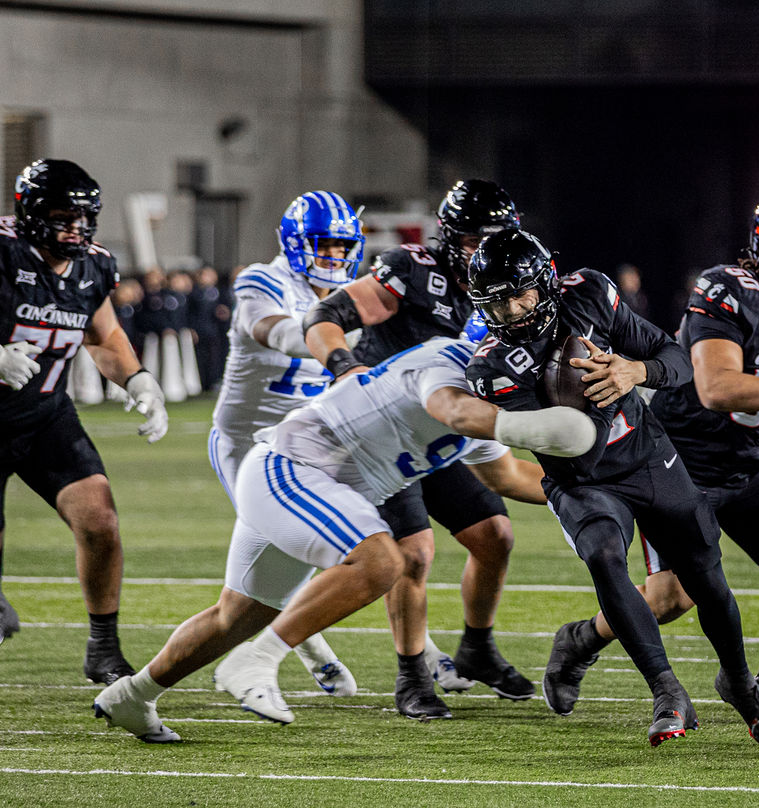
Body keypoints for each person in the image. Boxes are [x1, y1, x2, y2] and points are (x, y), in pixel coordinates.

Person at [92, 335, 595, 742]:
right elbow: (457, 412)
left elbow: (509, 479)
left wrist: (598, 489)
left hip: (311, 485)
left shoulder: (492, 407)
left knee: (236, 615)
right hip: (291, 468)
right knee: (382, 561)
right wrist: (535, 425)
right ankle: (257, 660)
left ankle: (133, 696)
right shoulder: (447, 361)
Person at [554, 192, 759, 721]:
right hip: (686, 458)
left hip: (750, 458)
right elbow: (716, 387)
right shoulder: (728, 289)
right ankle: (580, 641)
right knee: (671, 598)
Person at [466, 228, 759, 748]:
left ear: (545, 280)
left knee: (705, 575)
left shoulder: (588, 292)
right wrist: (598, 393)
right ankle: (666, 690)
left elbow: (675, 360)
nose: (510, 312)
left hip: (645, 454)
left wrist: (634, 369)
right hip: (582, 478)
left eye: (518, 294)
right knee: (602, 552)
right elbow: (577, 448)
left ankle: (740, 682)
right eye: (496, 303)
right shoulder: (493, 367)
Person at [303, 179, 533, 718]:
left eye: (498, 239)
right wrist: (344, 367)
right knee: (413, 552)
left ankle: (476, 647)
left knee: (495, 535)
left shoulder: (511, 285)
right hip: (384, 434)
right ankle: (411, 675)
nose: (488, 252)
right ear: (452, 238)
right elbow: (325, 317)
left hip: (445, 433)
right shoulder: (413, 270)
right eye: (477, 240)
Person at [0, 159, 168, 683]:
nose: (75, 227)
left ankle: (103, 647)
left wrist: (138, 379)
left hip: (46, 414)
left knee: (100, 521)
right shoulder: (3, 253)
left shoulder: (94, 266)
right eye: (62, 216)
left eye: (82, 217)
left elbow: (102, 334)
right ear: (30, 214)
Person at [209, 191, 366, 698]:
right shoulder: (265, 279)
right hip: (247, 445)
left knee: (370, 545)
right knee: (281, 551)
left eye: (344, 249)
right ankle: (310, 650)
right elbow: (272, 330)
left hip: (310, 449)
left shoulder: (356, 294)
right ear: (297, 243)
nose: (336, 259)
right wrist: (332, 340)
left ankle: (415, 655)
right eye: (326, 247)